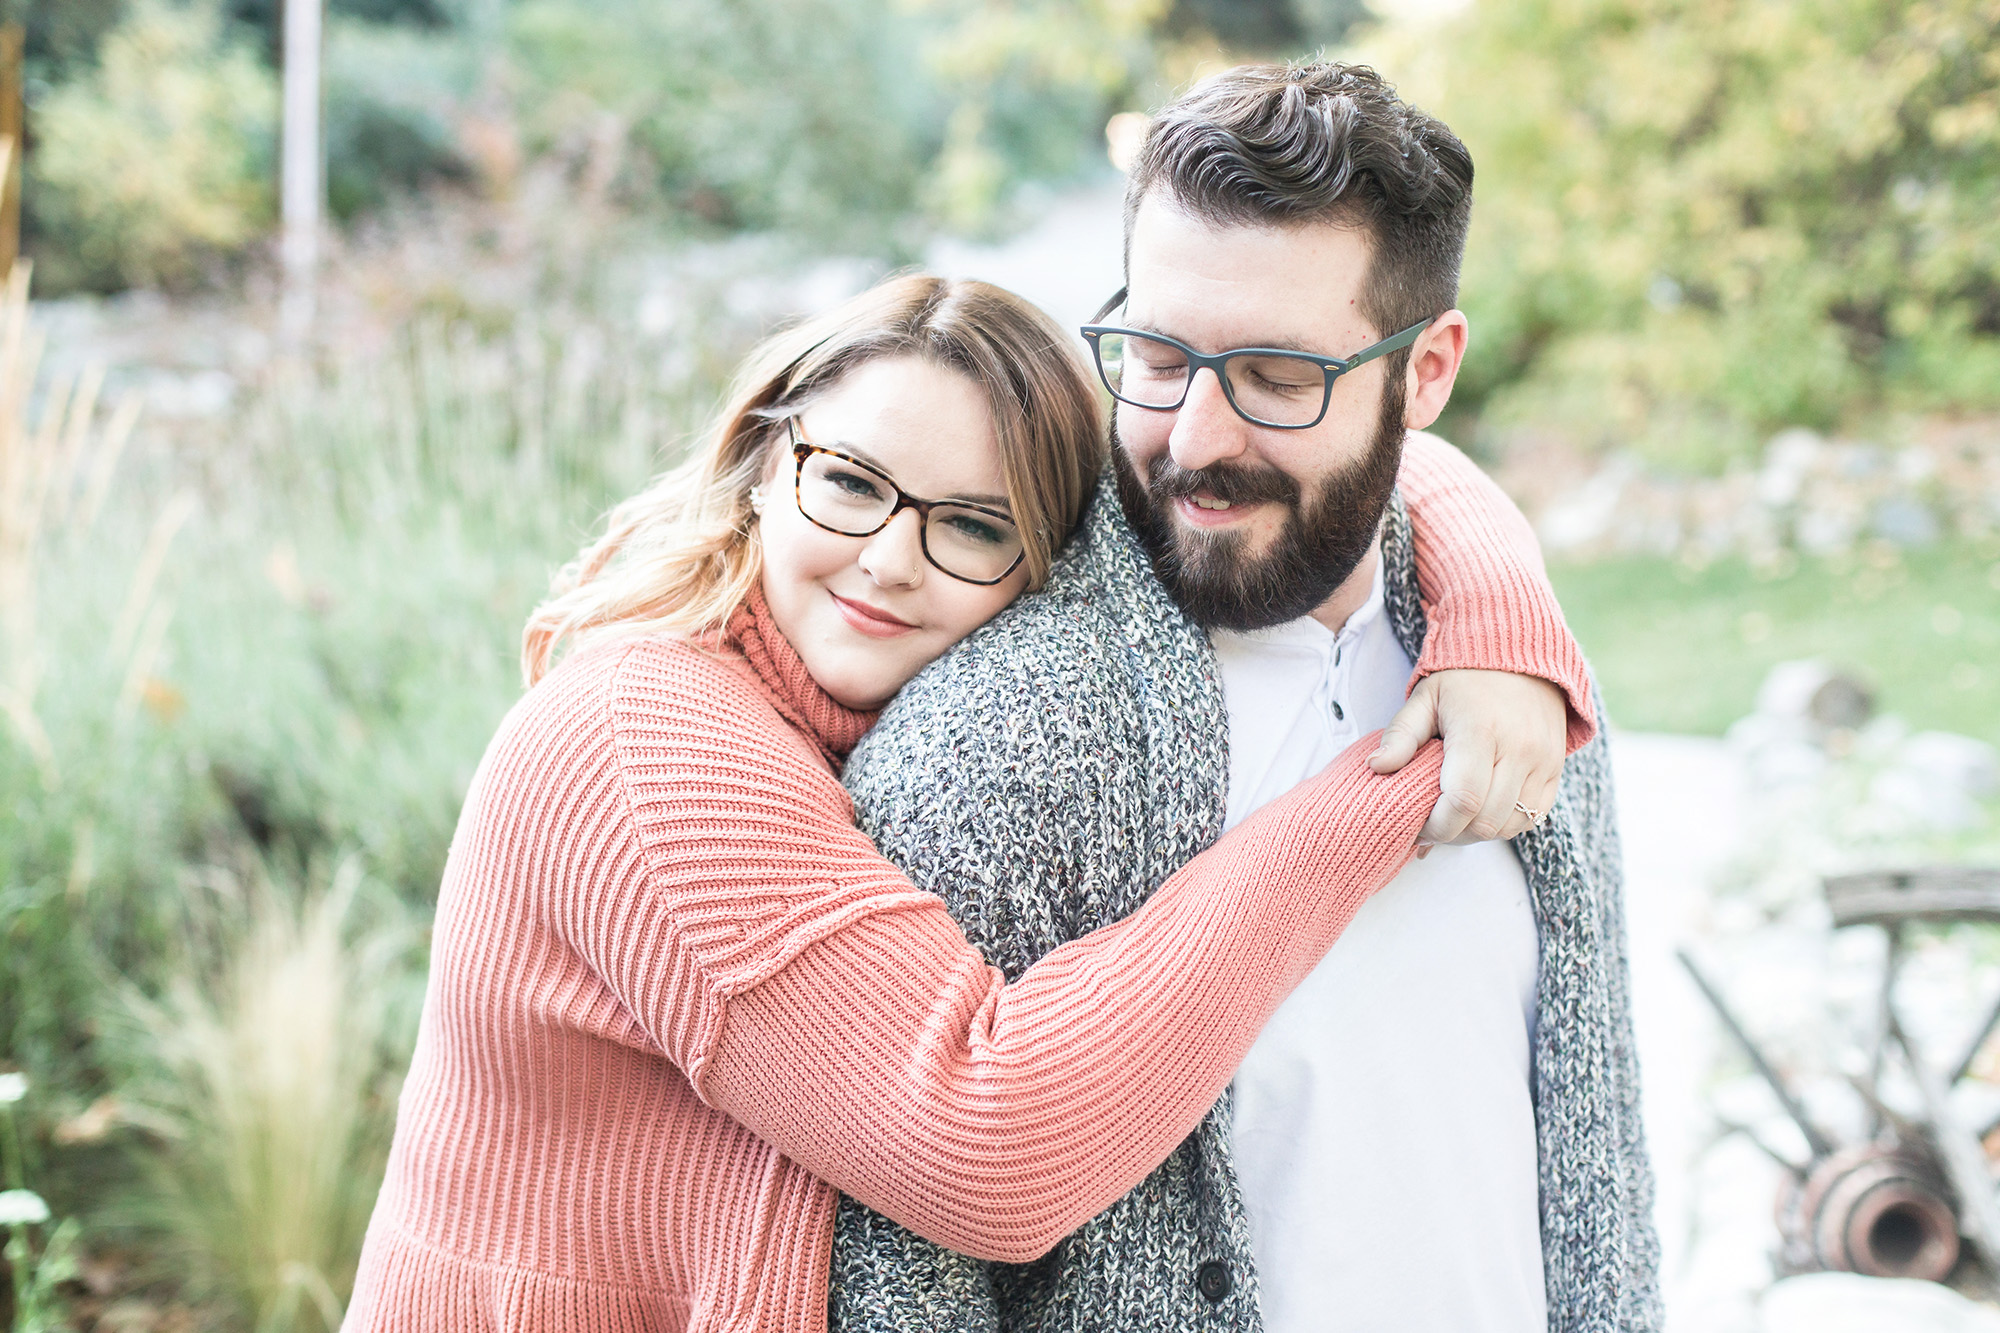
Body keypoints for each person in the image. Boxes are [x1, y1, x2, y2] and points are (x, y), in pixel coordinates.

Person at [342, 269, 1592, 1331]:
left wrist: (1488, 609)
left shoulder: (821, 712)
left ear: (1051, 570)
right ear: (760, 459)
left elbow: (1381, 458)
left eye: (973, 526)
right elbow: (984, 1143)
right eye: (848, 481)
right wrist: (1411, 771)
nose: (888, 558)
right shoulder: (643, 739)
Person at [829, 63, 1660, 1333]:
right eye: (1156, 355)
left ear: (1425, 373)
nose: (1196, 438)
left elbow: (1591, 1133)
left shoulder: (1521, 677)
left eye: (1278, 377)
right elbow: (901, 1281)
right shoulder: (997, 742)